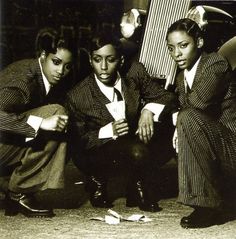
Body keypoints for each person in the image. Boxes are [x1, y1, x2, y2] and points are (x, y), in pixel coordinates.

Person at [65, 32, 176, 212]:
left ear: (121, 61)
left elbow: (168, 97)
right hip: (97, 151)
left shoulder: (134, 72)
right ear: (90, 60)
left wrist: (149, 110)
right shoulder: (77, 96)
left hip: (131, 140)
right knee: (138, 151)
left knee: (172, 128)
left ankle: (135, 182)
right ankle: (97, 180)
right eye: (97, 59)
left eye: (110, 60)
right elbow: (78, 143)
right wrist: (107, 131)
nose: (103, 67)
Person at [166, 18, 236, 228]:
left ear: (200, 42)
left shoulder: (216, 64)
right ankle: (208, 201)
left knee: (187, 117)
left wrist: (179, 119)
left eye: (183, 45)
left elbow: (198, 102)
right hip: (218, 146)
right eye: (171, 48)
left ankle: (206, 207)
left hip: (232, 145)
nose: (176, 54)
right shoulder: (181, 77)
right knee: (183, 119)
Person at [0, 27, 77, 217]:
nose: (61, 71)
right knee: (57, 114)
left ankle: (10, 188)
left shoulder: (44, 75)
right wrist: (39, 124)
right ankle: (17, 192)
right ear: (43, 55)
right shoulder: (23, 82)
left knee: (63, 122)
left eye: (67, 66)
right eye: (56, 62)